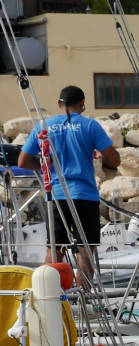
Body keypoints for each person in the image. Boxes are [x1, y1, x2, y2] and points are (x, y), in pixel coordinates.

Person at [18, 85, 121, 275]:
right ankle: (85, 299)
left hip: (57, 197)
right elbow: (115, 160)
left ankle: (47, 297)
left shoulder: (44, 127)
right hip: (85, 196)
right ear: (82, 104)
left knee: (55, 251)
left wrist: (44, 166)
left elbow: (23, 162)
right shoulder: (90, 125)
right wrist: (100, 154)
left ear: (59, 103)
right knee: (85, 250)